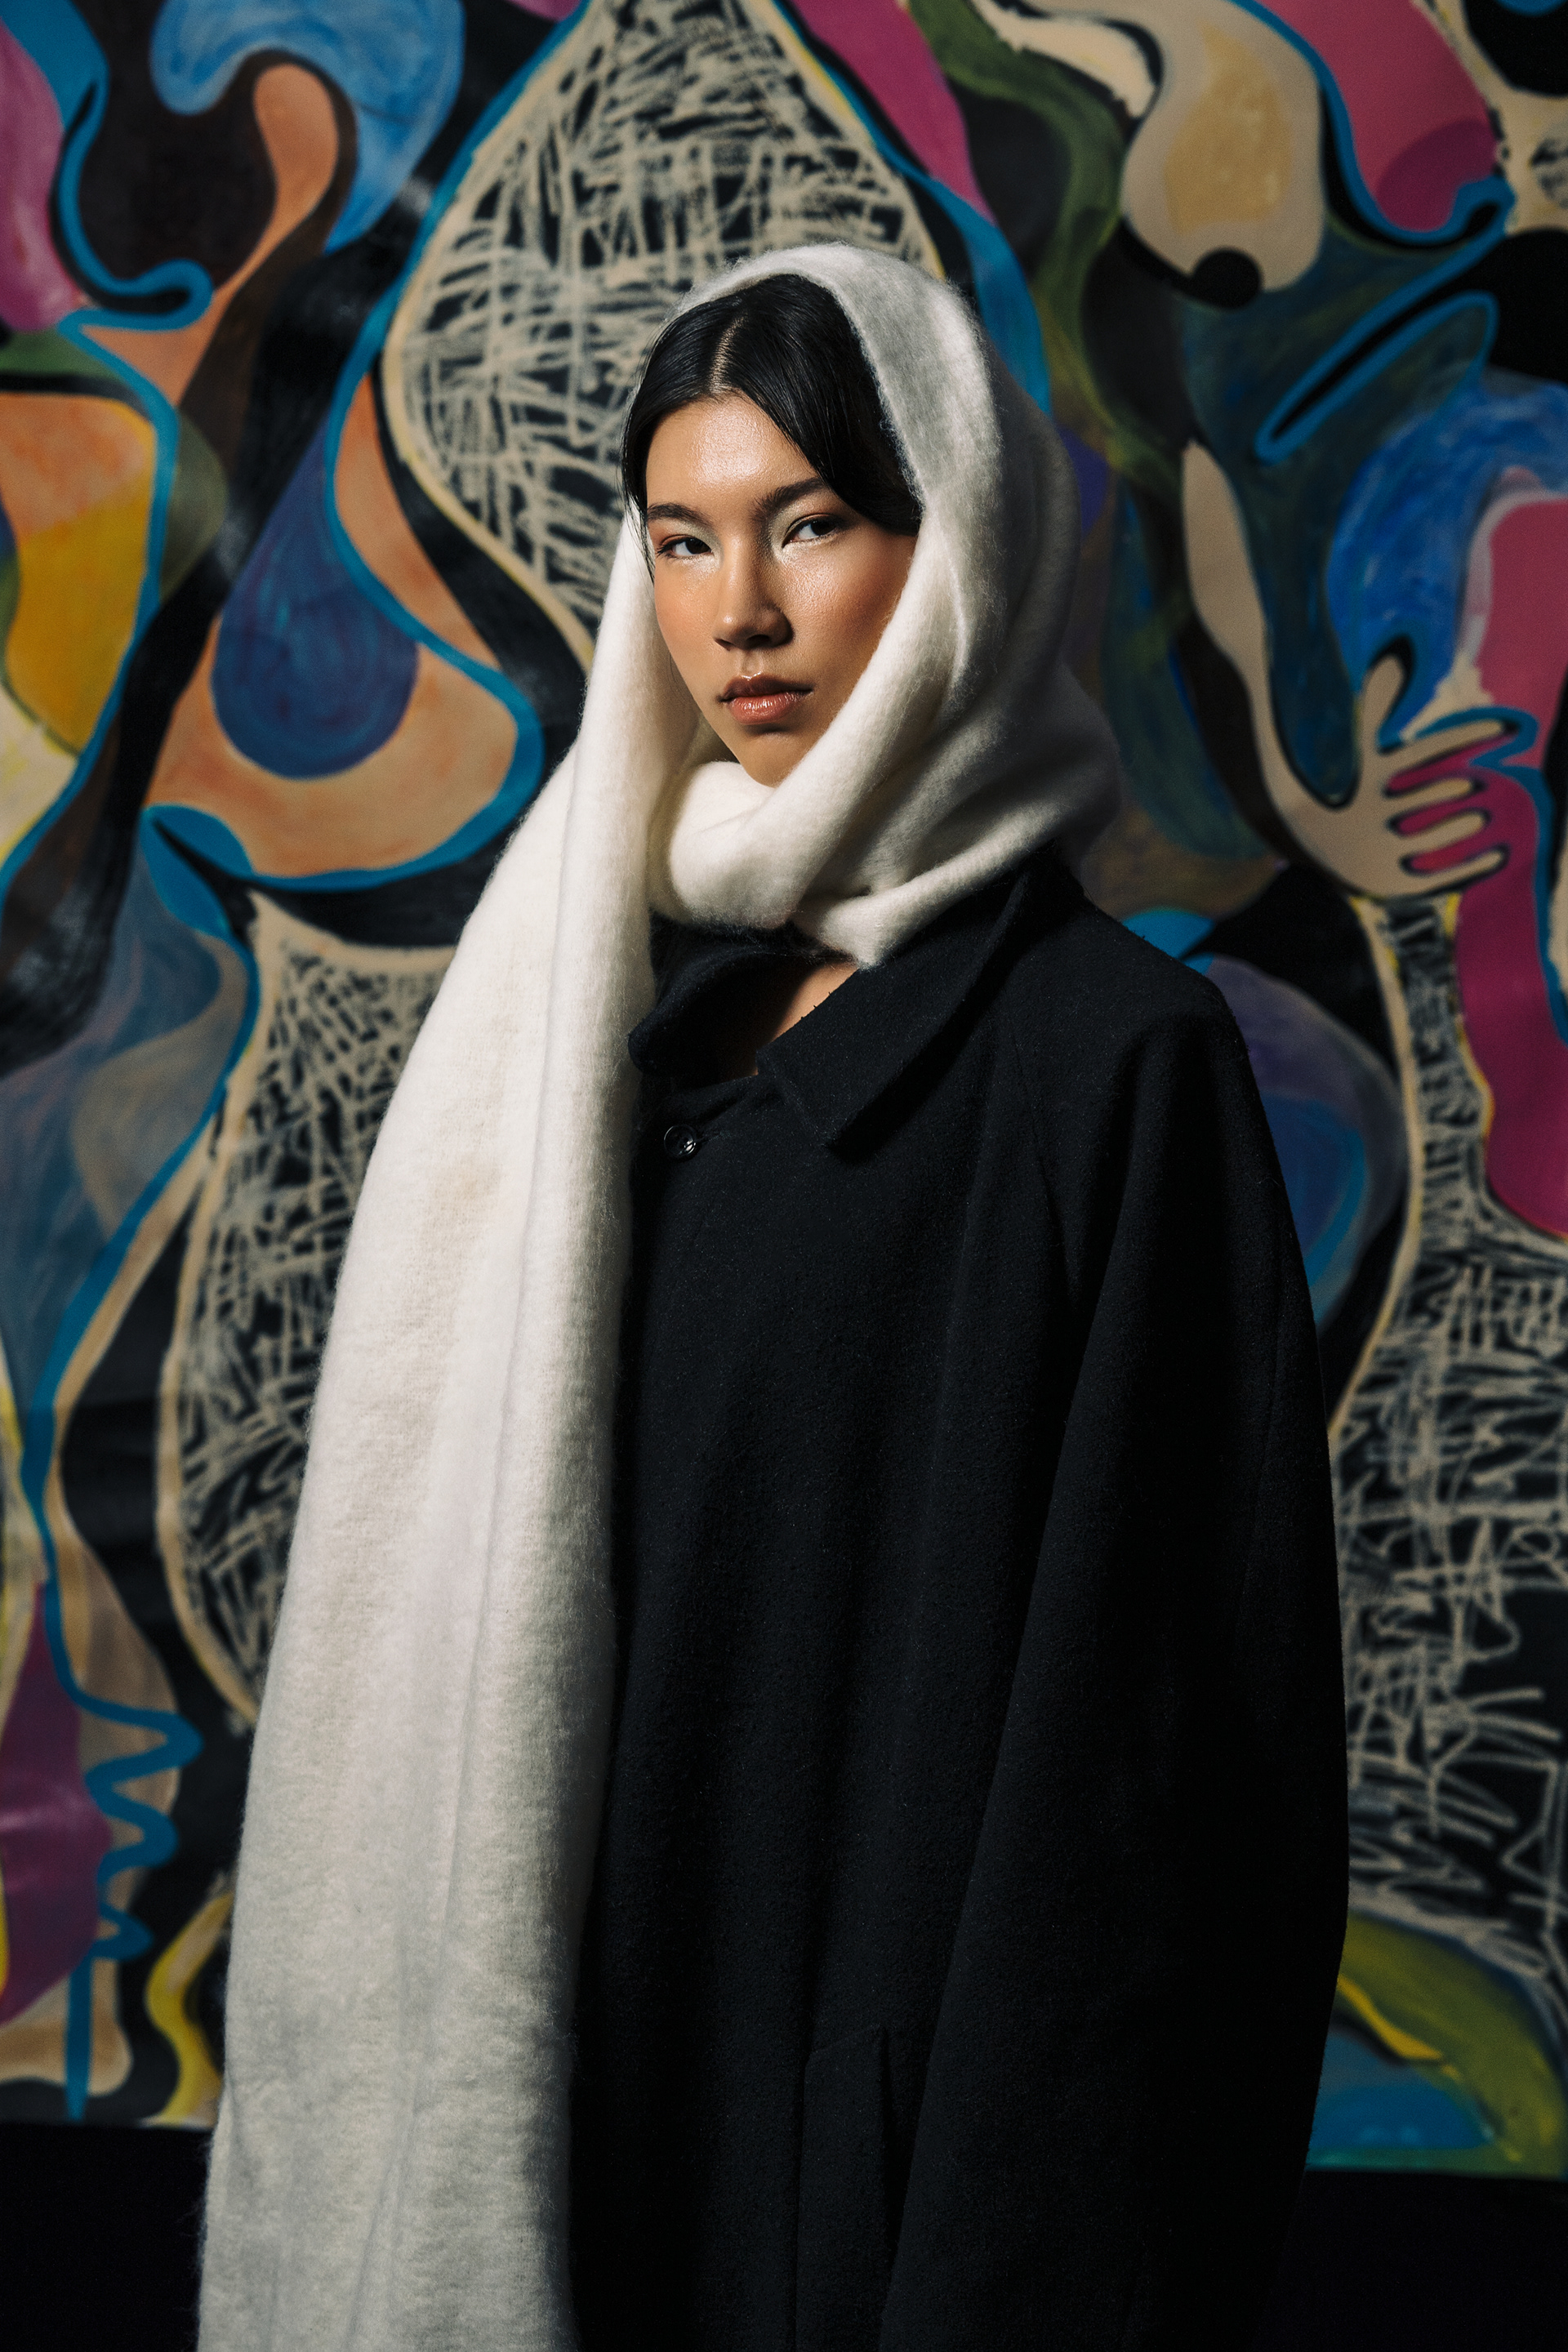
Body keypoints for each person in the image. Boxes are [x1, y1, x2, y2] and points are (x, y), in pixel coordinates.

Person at [198, 247, 1347, 2352]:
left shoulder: (1111, 1069)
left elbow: (1161, 1779)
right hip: (562, 2156)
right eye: (681, 539)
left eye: (807, 525)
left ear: (957, 547)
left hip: (861, 2215)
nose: (736, 611)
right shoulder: (587, 1036)